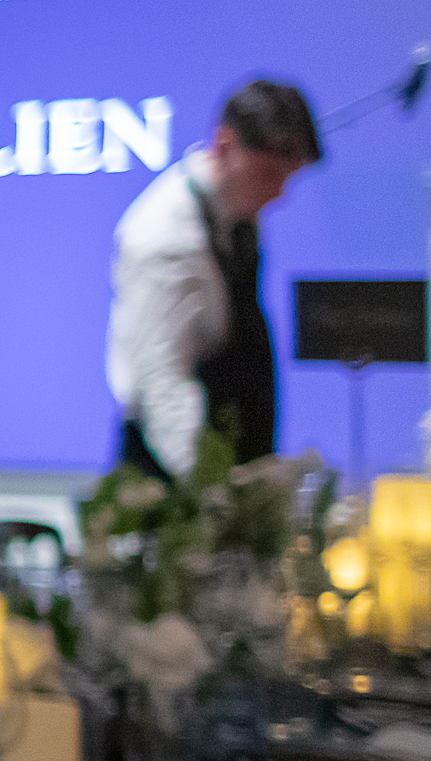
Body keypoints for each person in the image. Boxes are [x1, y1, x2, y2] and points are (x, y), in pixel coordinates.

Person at [106, 79, 322, 477]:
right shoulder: (163, 239)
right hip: (170, 468)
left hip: (230, 447)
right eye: (269, 175)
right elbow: (162, 383)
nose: (280, 194)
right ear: (225, 146)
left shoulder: (236, 207)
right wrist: (212, 491)